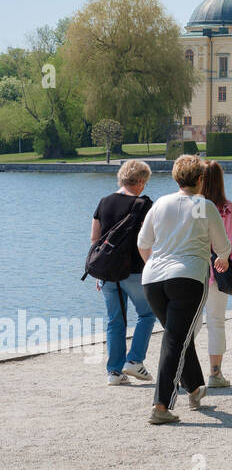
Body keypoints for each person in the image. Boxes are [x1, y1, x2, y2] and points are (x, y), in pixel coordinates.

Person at [136, 155, 231, 425]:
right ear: (200, 179)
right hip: (188, 278)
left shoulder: (160, 203)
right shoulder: (204, 205)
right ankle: (161, 405)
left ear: (176, 178)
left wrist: (155, 266)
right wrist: (222, 258)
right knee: (175, 339)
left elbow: (143, 243)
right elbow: (222, 246)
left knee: (177, 334)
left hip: (152, 280)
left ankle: (195, 387)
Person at [91, 160, 155, 387]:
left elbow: (95, 240)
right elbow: (149, 241)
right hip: (136, 271)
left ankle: (115, 372)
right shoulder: (145, 205)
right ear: (138, 181)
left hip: (108, 272)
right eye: (145, 182)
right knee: (147, 315)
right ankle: (135, 360)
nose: (145, 187)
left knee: (115, 321)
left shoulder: (104, 202)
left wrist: (99, 273)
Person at [199, 161, 232, 389]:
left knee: (191, 324)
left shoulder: (194, 206)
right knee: (216, 322)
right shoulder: (226, 207)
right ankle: (215, 374)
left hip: (195, 269)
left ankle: (184, 370)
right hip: (220, 268)